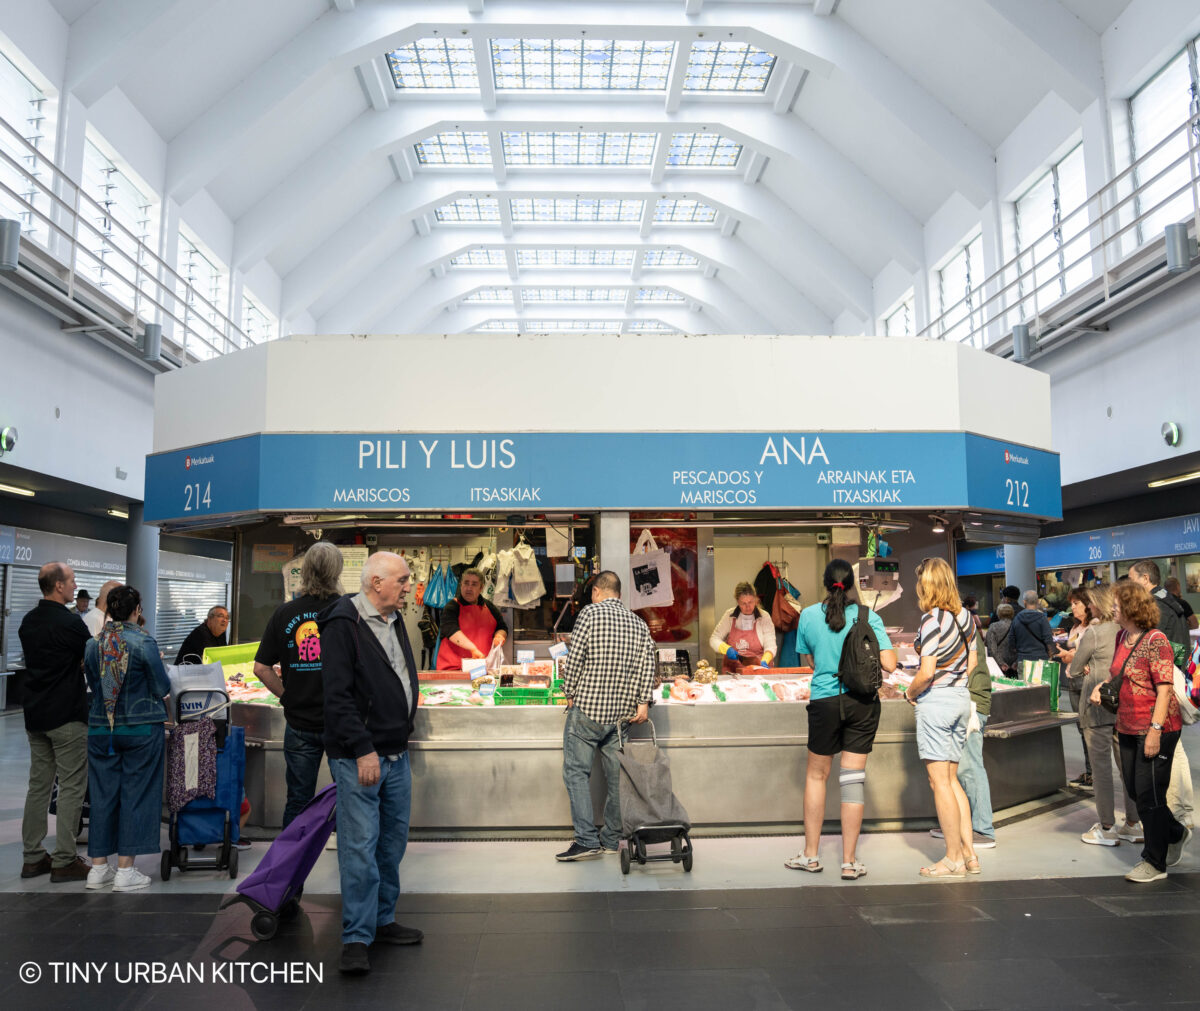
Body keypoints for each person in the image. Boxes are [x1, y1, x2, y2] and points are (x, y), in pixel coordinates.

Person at [320, 552, 422, 976]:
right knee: (359, 848)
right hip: (362, 756)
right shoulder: (343, 623)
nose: (408, 585)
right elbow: (338, 696)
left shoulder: (394, 619)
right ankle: (356, 937)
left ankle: (382, 920)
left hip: (396, 752)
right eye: (402, 579)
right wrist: (362, 748)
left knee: (391, 843)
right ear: (376, 582)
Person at [787, 559, 897, 880]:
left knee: (816, 776)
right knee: (852, 781)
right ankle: (849, 862)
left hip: (824, 700)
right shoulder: (868, 616)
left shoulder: (807, 615)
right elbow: (889, 663)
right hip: (861, 703)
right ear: (851, 585)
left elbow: (809, 660)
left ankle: (810, 856)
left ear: (825, 583)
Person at [1089, 581, 1189, 882]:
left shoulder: (1156, 640)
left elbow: (1164, 690)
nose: (1113, 608)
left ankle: (1154, 862)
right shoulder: (1123, 635)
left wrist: (1156, 731)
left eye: (1118, 603)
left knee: (1149, 796)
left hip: (1156, 727)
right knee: (1135, 790)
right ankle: (1174, 832)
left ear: (1132, 607)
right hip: (1127, 725)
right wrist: (1101, 686)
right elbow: (1118, 674)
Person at [558, 570, 654, 862]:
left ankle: (586, 840)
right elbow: (646, 663)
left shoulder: (590, 614)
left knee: (576, 773)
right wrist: (643, 701)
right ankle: (611, 839)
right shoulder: (638, 623)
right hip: (620, 717)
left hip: (588, 710)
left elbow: (575, 658)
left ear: (597, 592)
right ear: (620, 594)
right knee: (617, 778)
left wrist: (569, 690)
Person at [82, 585, 170, 891]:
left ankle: (97, 868)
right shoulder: (144, 643)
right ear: (137, 610)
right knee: (136, 792)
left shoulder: (92, 644)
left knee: (102, 795)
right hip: (141, 728)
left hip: (99, 729)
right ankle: (125, 871)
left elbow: (96, 684)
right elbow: (161, 687)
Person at [254, 541, 345, 828]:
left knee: (298, 798)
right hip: (341, 722)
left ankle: (291, 859)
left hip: (299, 722)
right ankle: (344, 849)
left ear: (304, 571)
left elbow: (261, 668)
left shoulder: (284, 613)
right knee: (347, 795)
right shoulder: (347, 610)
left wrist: (287, 697)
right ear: (337, 571)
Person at [17, 562, 91, 882]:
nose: (75, 586)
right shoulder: (71, 623)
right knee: (72, 785)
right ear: (58, 586)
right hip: (67, 716)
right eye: (72, 581)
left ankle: (33, 858)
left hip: (36, 714)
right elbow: (88, 659)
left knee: (39, 786)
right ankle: (64, 860)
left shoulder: (28, 621)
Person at [905, 557, 978, 878]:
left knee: (939, 783)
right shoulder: (967, 618)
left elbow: (926, 671)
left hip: (937, 703)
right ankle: (970, 854)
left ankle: (952, 859)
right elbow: (972, 664)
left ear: (928, 585)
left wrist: (910, 692)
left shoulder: (931, 620)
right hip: (962, 698)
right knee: (952, 780)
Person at [1071, 585, 1142, 847]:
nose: (1088, 607)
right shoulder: (1128, 634)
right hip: (1123, 706)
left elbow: (1075, 669)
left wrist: (1086, 667)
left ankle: (1107, 827)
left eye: (1089, 603)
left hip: (1097, 707)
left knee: (1100, 769)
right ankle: (1133, 823)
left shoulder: (1095, 633)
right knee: (1127, 768)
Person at [1129, 561, 1193, 828]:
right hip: (1176, 675)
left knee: (1170, 746)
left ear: (1145, 579)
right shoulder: (1175, 602)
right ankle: (1184, 809)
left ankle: (1179, 811)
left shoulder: (1155, 607)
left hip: (1164, 682)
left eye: (1132, 580)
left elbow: (1157, 646)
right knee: (1175, 746)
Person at [932, 624, 996, 850]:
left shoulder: (957, 624)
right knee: (955, 768)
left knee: (969, 767)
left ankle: (982, 829)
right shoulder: (957, 622)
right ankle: (957, 822)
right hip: (964, 699)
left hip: (970, 700)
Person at [435, 567, 508, 670]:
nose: (469, 588)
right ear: (461, 585)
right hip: (453, 669)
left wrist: (500, 636)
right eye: (466, 583)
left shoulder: (489, 606)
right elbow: (450, 630)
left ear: (481, 588)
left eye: (474, 584)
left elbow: (502, 627)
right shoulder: (452, 606)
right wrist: (472, 649)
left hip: (482, 667)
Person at [1059, 590, 1094, 788]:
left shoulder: (1094, 628)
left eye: (1076, 603)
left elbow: (1086, 656)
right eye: (1071, 603)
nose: (1073, 607)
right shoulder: (1075, 628)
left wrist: (1072, 655)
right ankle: (1089, 772)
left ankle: (1095, 772)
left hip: (1087, 681)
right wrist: (1068, 655)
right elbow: (1071, 654)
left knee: (1090, 728)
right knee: (1081, 728)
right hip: (1072, 681)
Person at [709, 581, 777, 672]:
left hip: (759, 671)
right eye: (743, 603)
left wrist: (765, 660)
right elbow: (714, 639)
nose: (748, 607)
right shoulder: (729, 616)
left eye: (751, 602)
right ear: (737, 602)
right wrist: (726, 649)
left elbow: (771, 645)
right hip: (733, 672)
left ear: (755, 599)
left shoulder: (764, 617)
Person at [1011, 590, 1055, 665]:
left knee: (1023, 677)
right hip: (1040, 659)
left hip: (1022, 659)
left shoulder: (1017, 618)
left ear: (1024, 602)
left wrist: (1017, 655)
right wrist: (1051, 654)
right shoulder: (1042, 618)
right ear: (1037, 601)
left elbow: (1011, 639)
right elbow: (1048, 639)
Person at [985, 602, 1017, 674]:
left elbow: (991, 648)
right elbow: (1022, 645)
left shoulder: (993, 626)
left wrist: (1001, 663)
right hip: (1014, 665)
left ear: (998, 614)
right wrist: (1016, 662)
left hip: (998, 665)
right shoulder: (1017, 626)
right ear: (1012, 614)